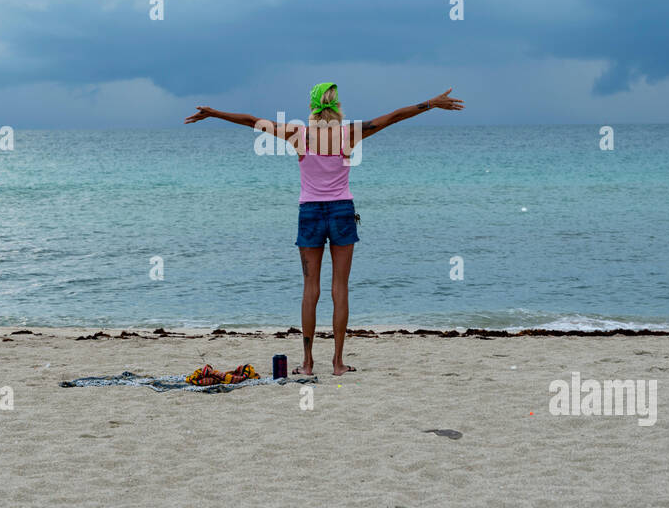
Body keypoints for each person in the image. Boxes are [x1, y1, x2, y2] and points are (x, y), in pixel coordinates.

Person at [185, 85, 464, 374]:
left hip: (310, 214)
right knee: (339, 289)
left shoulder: (299, 135)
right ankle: (338, 363)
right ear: (338, 105)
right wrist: (431, 103)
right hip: (342, 211)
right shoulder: (349, 133)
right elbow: (393, 117)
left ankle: (307, 364)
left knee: (310, 290)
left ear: (312, 106)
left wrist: (214, 114)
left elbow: (251, 121)